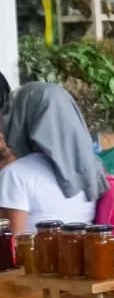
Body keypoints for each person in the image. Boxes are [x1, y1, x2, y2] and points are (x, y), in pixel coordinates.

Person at [0, 83, 106, 231]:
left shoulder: (15, 175)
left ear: (23, 117)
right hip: (83, 253)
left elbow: (10, 246)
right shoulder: (93, 171)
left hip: (38, 254)